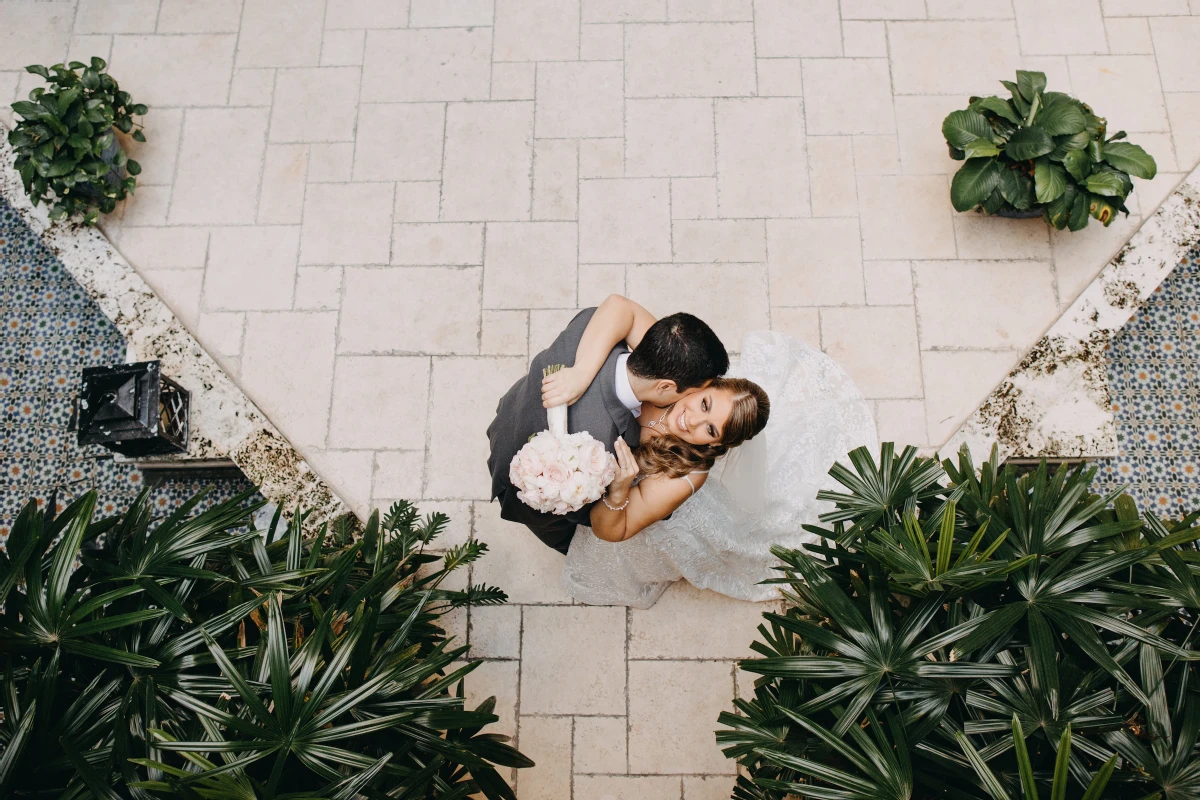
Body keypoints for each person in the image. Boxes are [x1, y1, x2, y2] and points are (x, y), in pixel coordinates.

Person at [552, 299, 879, 608]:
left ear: (713, 445)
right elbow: (622, 308)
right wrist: (582, 372)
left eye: (709, 430)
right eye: (704, 404)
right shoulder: (681, 373)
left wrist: (620, 489)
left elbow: (613, 530)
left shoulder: (686, 474)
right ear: (703, 385)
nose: (692, 420)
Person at [486, 295, 729, 554]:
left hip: (512, 411)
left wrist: (581, 371)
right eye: (693, 394)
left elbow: (620, 306)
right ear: (666, 387)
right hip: (520, 481)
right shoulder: (601, 447)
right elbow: (586, 511)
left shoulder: (591, 322)